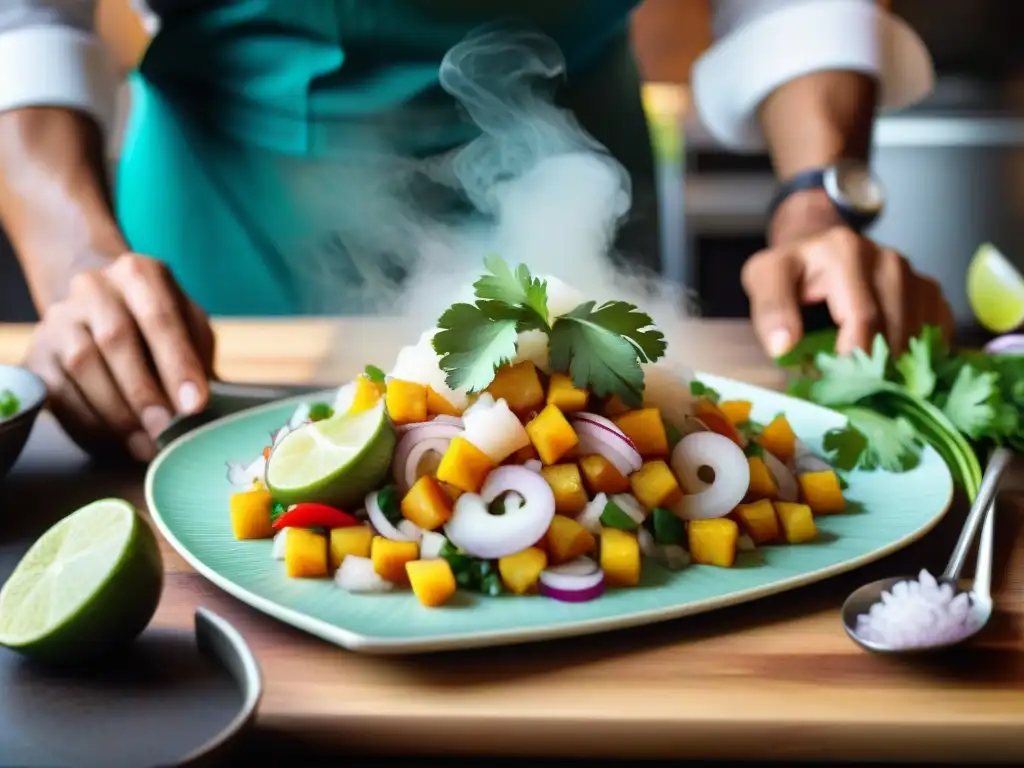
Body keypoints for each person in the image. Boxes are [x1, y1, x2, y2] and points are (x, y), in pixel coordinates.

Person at [0, 0, 953, 462]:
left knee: (613, 449)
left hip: (578, 168)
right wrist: (81, 262)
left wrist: (816, 201)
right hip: (229, 214)